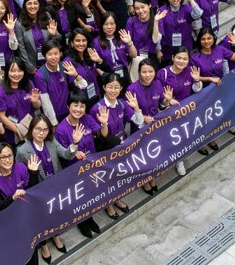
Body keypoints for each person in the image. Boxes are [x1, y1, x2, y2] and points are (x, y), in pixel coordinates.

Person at [15, 114, 80, 258]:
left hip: (55, 188)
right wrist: (31, 173)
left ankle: (55, 236)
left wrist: (74, 143)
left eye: (44, 130)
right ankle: (44, 245)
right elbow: (19, 175)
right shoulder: (22, 150)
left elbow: (67, 155)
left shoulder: (51, 142)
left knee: (54, 214)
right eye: (38, 129)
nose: (41, 133)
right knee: (41, 219)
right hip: (38, 193)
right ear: (31, 129)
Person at [90, 74, 144, 218]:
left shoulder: (121, 104)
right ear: (104, 87)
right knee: (107, 179)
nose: (113, 90)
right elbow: (101, 136)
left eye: (116, 87)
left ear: (121, 89)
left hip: (121, 147)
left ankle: (117, 199)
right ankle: (108, 205)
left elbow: (138, 122)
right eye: (110, 87)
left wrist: (136, 107)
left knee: (118, 176)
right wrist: (104, 123)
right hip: (105, 150)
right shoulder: (97, 108)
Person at [191, 26, 235, 151]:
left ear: (213, 38)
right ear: (199, 41)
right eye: (203, 39)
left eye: (209, 38)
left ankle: (224, 127)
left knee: (220, 111)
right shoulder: (195, 57)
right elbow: (194, 77)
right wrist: (209, 79)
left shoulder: (220, 49)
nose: (207, 41)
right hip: (204, 91)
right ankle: (207, 138)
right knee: (207, 116)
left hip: (219, 88)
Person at [158, 47, 202, 173]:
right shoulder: (163, 73)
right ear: (172, 58)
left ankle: (179, 160)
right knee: (171, 137)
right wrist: (167, 100)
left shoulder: (190, 71)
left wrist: (197, 80)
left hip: (186, 111)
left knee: (182, 137)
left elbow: (197, 90)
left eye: (185, 59)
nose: (181, 61)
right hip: (169, 113)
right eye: (179, 58)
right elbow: (159, 97)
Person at [126, 59, 166, 194]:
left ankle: (152, 176)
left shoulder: (158, 84)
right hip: (138, 128)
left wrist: (167, 100)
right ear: (139, 73)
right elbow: (128, 112)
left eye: (150, 72)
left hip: (154, 127)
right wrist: (142, 117)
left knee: (153, 154)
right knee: (142, 155)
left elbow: (161, 103)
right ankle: (144, 180)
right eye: (144, 72)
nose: (147, 75)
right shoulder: (132, 89)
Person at [0, 57, 42, 145]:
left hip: (30, 128)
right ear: (7, 72)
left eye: (20, 70)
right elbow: (1, 116)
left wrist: (35, 101)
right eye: (12, 71)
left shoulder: (29, 84)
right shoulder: (1, 91)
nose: (16, 74)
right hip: (12, 133)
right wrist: (19, 130)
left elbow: (37, 106)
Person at [54, 92, 109, 168]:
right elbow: (63, 154)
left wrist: (104, 124)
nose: (78, 109)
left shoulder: (88, 118)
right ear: (68, 106)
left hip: (93, 163)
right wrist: (75, 153)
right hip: (75, 169)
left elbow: (103, 135)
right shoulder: (61, 130)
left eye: (82, 106)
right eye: (75, 106)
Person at [35, 39, 83, 124]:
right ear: (44, 56)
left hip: (70, 112)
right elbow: (46, 103)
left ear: (60, 54)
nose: (53, 57)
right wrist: (53, 123)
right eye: (49, 54)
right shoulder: (40, 75)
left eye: (56, 53)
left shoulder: (64, 66)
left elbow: (82, 86)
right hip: (54, 116)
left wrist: (76, 74)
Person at [15, 0, 60, 74]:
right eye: (29, 3)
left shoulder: (46, 16)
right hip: (33, 66)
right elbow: (21, 49)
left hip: (50, 62)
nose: (32, 6)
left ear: (39, 5)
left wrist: (54, 35)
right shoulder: (19, 24)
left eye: (35, 3)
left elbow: (58, 39)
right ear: (25, 5)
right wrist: (30, 67)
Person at [158, 0, 203, 64]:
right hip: (168, 50)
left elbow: (198, 13)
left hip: (185, 48)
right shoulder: (162, 10)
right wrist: (158, 49)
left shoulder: (186, 8)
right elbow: (158, 32)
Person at [91, 12, 137, 88]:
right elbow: (95, 64)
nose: (109, 27)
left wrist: (129, 43)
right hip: (107, 75)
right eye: (106, 24)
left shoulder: (122, 37)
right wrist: (104, 75)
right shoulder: (96, 41)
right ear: (102, 26)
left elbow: (134, 55)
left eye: (112, 24)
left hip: (123, 74)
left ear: (116, 24)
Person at [64, 29, 108, 107]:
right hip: (81, 102)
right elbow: (75, 84)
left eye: (84, 40)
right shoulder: (68, 61)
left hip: (95, 95)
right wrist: (76, 75)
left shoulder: (90, 55)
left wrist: (99, 60)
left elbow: (107, 71)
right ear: (71, 43)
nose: (81, 44)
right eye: (77, 40)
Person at [126, 0, 166, 79]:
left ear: (149, 5)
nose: (140, 11)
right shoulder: (131, 21)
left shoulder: (157, 19)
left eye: (143, 7)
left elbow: (155, 40)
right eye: (137, 8)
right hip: (137, 57)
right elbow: (128, 41)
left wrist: (155, 22)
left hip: (151, 56)